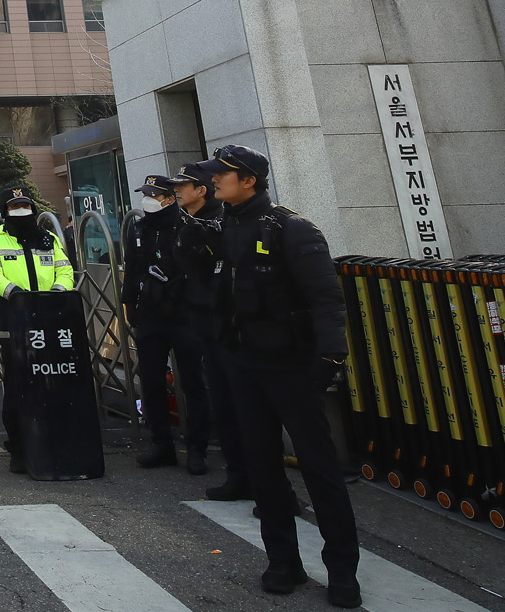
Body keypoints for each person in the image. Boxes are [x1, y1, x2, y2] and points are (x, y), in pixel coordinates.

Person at [207, 144, 359, 608]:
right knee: (263, 466)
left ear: (249, 179)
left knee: (320, 469)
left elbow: (327, 298)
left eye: (223, 174)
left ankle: (342, 571)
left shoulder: (292, 229)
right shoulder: (225, 226)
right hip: (245, 363)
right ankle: (282, 561)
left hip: (293, 366)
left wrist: (330, 358)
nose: (214, 180)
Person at [0, 187, 76, 473]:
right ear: (5, 211)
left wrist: (58, 292)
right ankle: (19, 447)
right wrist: (15, 294)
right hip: (16, 320)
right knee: (18, 385)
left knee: (54, 383)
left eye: (25, 206)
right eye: (15, 207)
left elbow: (65, 269)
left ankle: (54, 440)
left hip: (50, 319)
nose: (22, 211)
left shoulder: (49, 239)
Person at [170, 161, 251, 501]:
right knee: (220, 399)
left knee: (244, 405)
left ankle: (264, 481)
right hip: (203, 321)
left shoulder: (226, 220)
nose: (176, 192)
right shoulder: (186, 222)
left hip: (234, 328)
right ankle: (237, 475)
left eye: (183, 186)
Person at [121, 173, 211, 474]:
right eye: (145, 194)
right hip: (149, 316)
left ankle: (197, 448)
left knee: (192, 382)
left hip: (183, 315)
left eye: (154, 195)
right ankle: (161, 444)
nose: (147, 200)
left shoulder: (187, 227)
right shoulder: (139, 227)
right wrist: (129, 302)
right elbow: (131, 267)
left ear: (170, 199)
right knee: (151, 382)